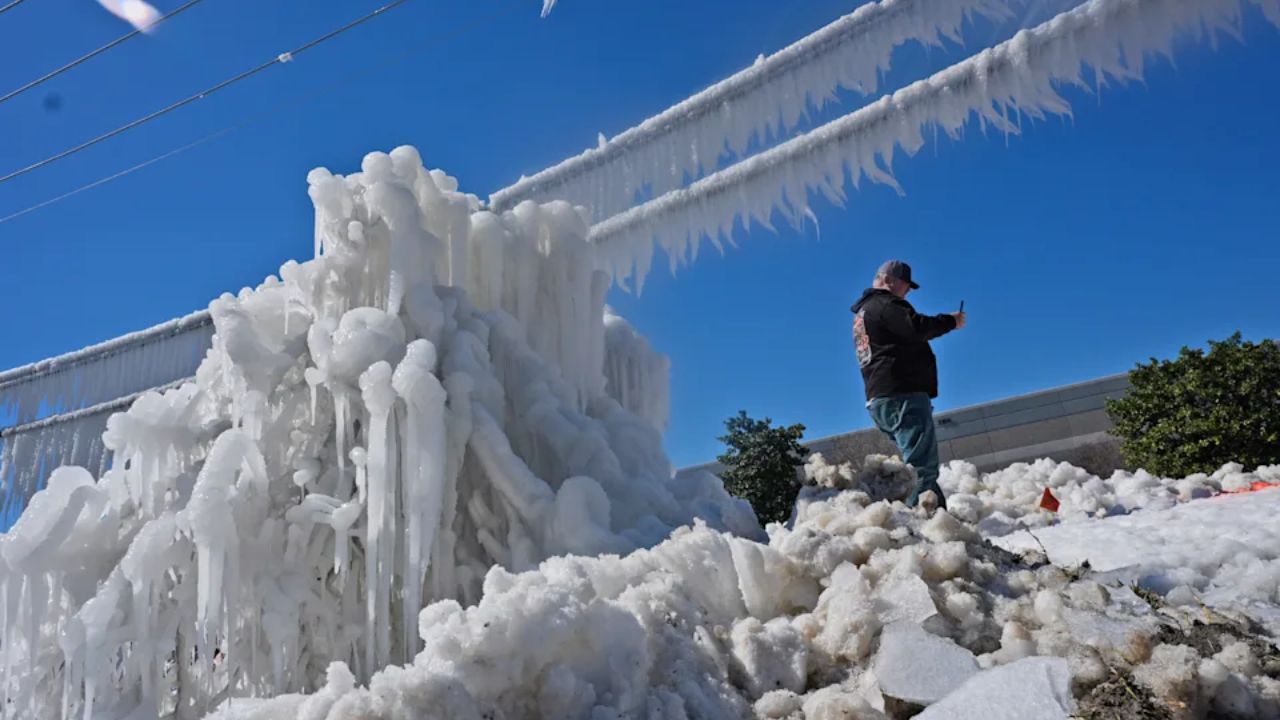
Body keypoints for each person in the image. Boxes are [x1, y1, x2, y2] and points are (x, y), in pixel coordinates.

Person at [851, 260, 966, 509]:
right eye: (906, 286)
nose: (908, 293)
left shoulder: (864, 314)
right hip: (902, 394)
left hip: (880, 397)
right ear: (889, 280)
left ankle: (941, 521)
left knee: (919, 462)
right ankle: (918, 528)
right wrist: (950, 321)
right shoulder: (885, 303)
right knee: (921, 468)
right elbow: (916, 327)